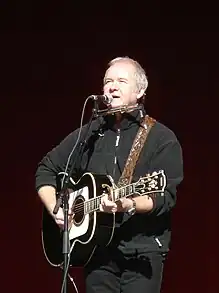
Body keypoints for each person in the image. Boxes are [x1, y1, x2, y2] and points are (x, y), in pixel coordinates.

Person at [35, 56, 184, 293]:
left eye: (121, 81)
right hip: (97, 253)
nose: (112, 86)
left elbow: (164, 196)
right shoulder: (91, 134)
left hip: (141, 255)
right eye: (107, 81)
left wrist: (128, 203)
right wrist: (57, 209)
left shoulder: (162, 139)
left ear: (140, 90)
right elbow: (46, 169)